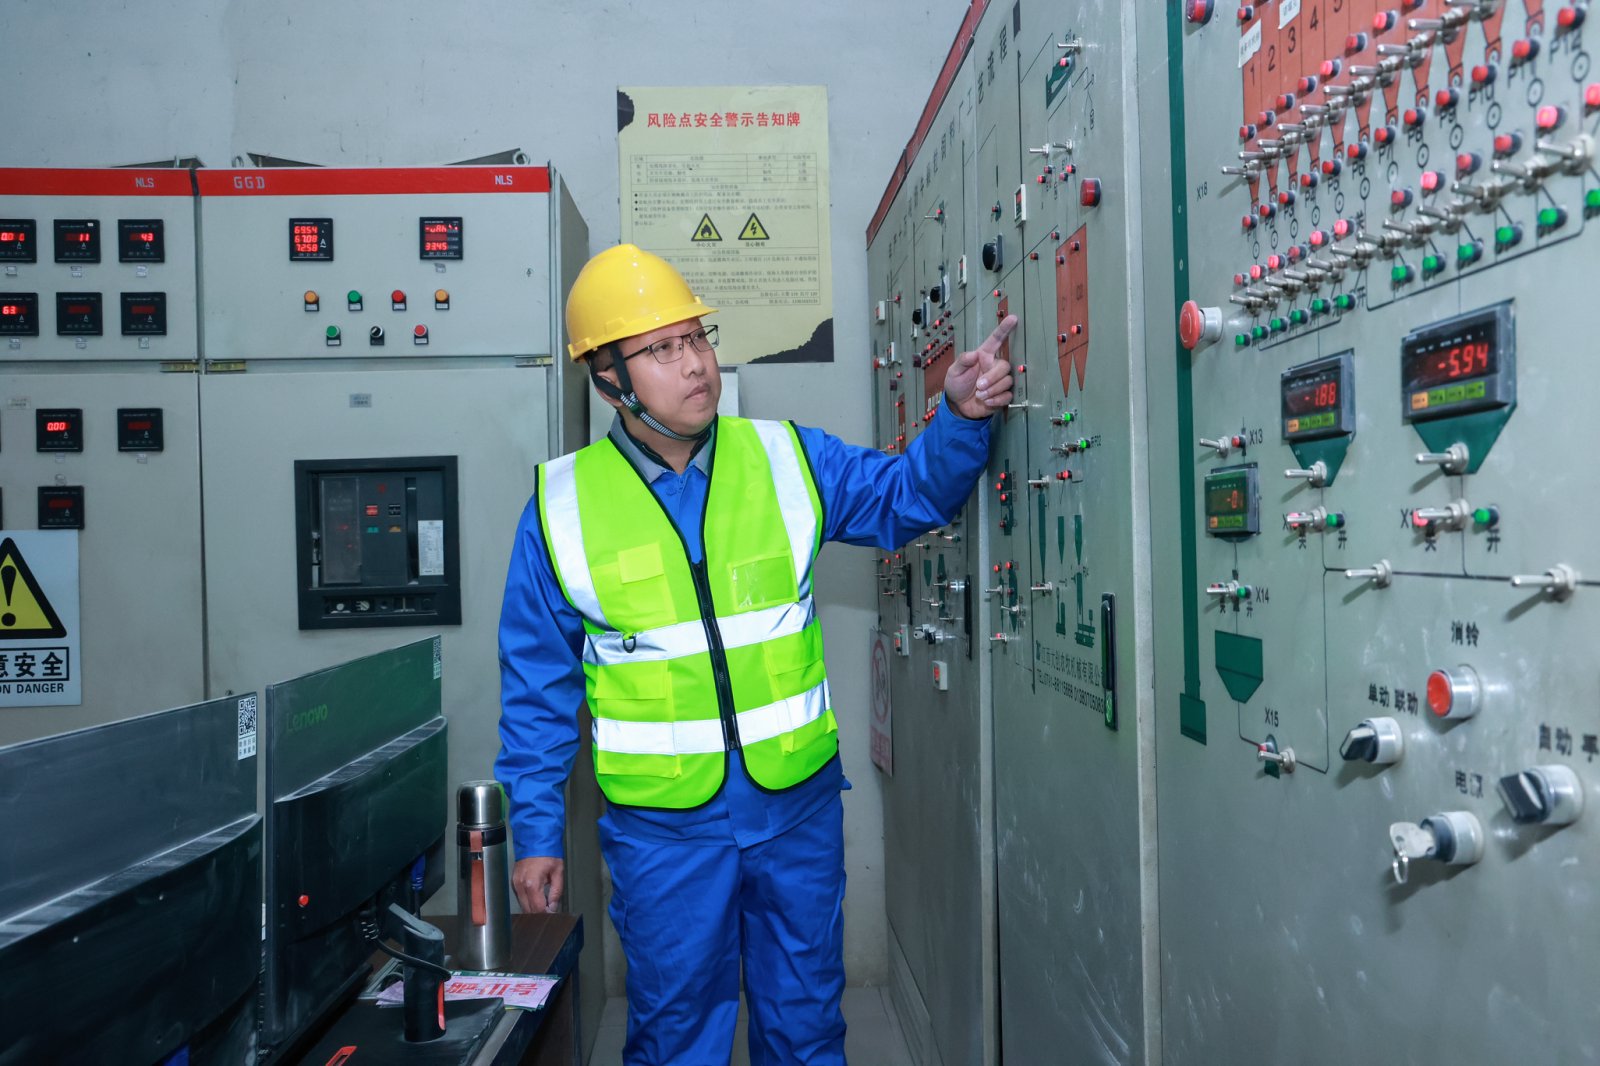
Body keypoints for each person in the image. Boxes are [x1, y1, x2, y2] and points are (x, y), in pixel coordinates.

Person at [496, 243, 1016, 1065]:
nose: (695, 364)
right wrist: (536, 834)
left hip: (796, 816)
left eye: (696, 338)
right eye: (661, 349)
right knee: (676, 1040)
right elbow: (536, 691)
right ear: (607, 378)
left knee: (806, 1030)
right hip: (664, 837)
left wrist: (959, 418)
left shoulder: (784, 458)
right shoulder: (560, 508)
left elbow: (906, 496)